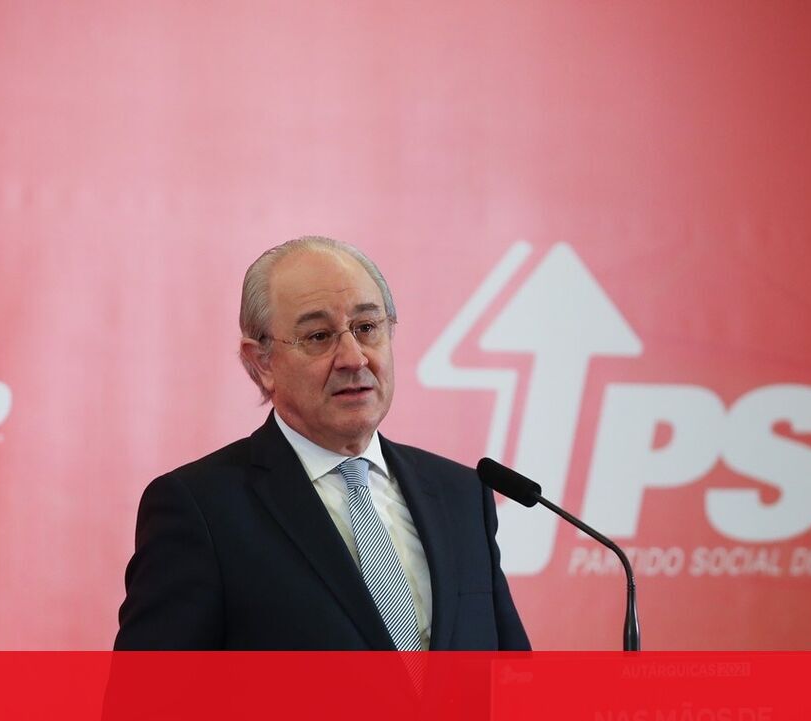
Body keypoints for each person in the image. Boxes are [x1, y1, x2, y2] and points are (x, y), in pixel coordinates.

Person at [114, 236, 530, 650]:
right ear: (262, 362)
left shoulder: (462, 495)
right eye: (318, 336)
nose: (354, 358)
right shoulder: (202, 510)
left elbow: (512, 673)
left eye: (367, 328)